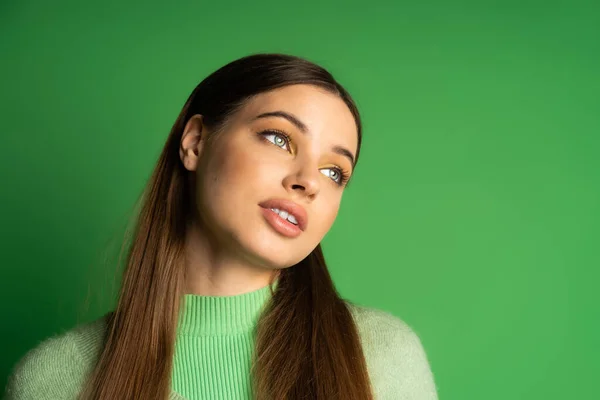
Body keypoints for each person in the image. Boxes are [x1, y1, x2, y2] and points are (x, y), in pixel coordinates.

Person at [4, 53, 438, 400]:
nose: (307, 181)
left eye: (334, 172)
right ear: (195, 141)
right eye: (279, 138)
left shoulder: (381, 356)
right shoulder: (54, 380)